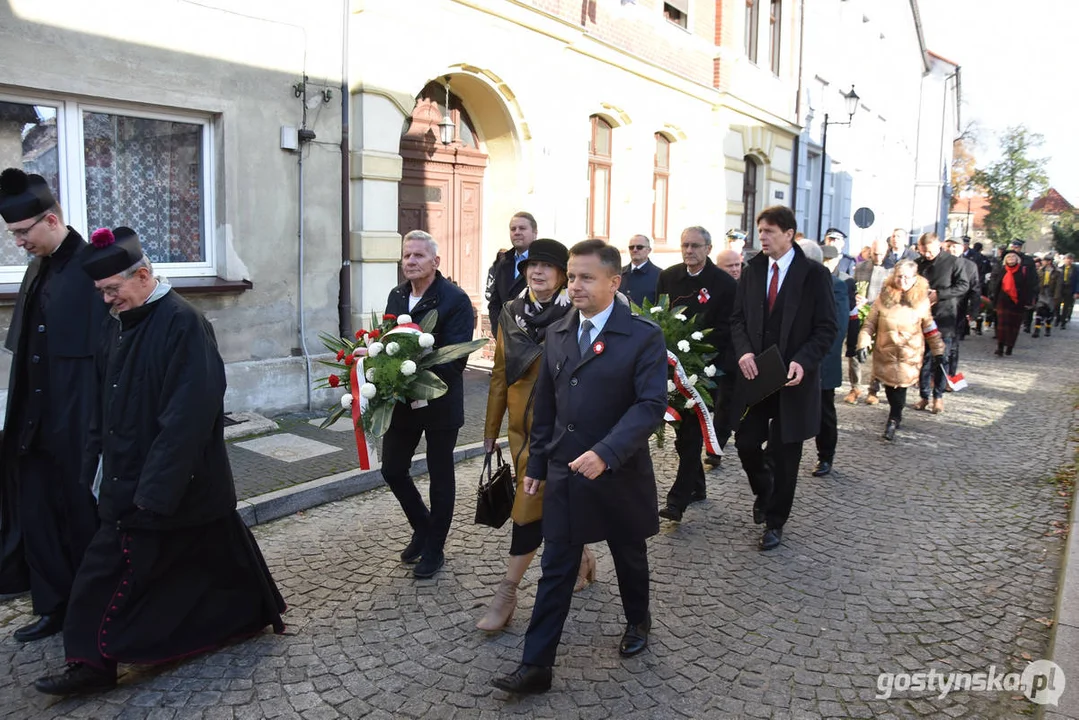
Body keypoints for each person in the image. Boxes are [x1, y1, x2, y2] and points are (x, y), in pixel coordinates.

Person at [34, 226, 285, 695]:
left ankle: (91, 664)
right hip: (133, 480)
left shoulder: (184, 323)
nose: (106, 300)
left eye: (112, 289)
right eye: (101, 292)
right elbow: (102, 408)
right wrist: (93, 469)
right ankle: (249, 614)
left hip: (172, 486)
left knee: (103, 574)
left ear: (144, 275)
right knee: (213, 563)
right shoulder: (117, 327)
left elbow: (189, 417)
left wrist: (153, 493)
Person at [491, 240, 667, 695]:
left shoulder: (643, 334)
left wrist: (607, 452)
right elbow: (546, 403)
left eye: (586, 277)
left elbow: (650, 405)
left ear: (614, 282)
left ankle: (637, 622)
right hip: (567, 470)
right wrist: (541, 463)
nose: (575, 285)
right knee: (556, 566)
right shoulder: (561, 330)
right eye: (572, 276)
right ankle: (536, 666)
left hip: (619, 471)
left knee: (629, 556)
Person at [0, 168, 106, 643]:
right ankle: (53, 607)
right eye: (14, 234)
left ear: (51, 219)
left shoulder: (94, 266)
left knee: (83, 520)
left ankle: (93, 613)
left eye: (23, 232)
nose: (19, 243)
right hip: (33, 423)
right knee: (39, 517)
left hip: (79, 421)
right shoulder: (35, 268)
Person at [479, 239, 596, 632]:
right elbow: (499, 374)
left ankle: (507, 592)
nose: (537, 272)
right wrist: (490, 430)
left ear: (562, 275)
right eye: (532, 265)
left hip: (563, 427)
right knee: (554, 497)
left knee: (532, 502)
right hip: (519, 429)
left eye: (547, 266)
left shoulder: (577, 315)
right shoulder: (511, 313)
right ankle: (583, 558)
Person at [730, 206, 837, 551]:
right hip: (758, 377)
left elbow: (826, 328)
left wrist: (803, 362)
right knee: (746, 442)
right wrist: (744, 351)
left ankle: (775, 522)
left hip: (794, 381)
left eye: (770, 231)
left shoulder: (814, 275)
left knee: (786, 452)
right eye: (760, 230)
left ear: (789, 234)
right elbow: (738, 320)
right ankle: (765, 490)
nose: (762, 236)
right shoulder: (752, 270)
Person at [382, 230, 474, 578]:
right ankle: (423, 526)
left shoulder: (455, 300)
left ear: (436, 262)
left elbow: (455, 359)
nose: (410, 261)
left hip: (440, 403)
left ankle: (435, 548)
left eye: (418, 256)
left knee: (440, 475)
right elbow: (386, 341)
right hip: (403, 403)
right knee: (392, 469)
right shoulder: (397, 295)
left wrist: (414, 375)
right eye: (407, 255)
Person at [656, 227, 737, 521]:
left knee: (691, 434)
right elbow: (659, 316)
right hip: (672, 368)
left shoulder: (725, 284)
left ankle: (677, 501)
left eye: (695, 246)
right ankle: (697, 487)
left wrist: (714, 366)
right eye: (685, 245)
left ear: (708, 248)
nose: (689, 250)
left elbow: (728, 329)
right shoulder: (668, 277)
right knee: (681, 434)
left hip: (706, 370)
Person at [855, 261, 945, 442]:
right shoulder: (884, 296)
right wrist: (862, 344)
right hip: (885, 350)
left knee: (900, 387)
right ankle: (895, 413)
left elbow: (929, 326)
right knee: (890, 386)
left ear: (914, 278)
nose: (902, 280)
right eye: (899, 276)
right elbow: (870, 323)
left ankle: (894, 417)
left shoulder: (921, 300)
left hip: (909, 353)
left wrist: (938, 351)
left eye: (906, 277)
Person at [805, 242, 849, 477]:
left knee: (824, 411)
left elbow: (837, 328)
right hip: (795, 361)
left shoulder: (837, 286)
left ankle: (825, 456)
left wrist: (814, 359)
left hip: (822, 361)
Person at [914, 233, 968, 414]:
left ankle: (938, 396)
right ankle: (923, 395)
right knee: (923, 359)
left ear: (938, 246)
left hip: (944, 317)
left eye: (929, 252)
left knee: (941, 359)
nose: (927, 255)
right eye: (923, 252)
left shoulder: (953, 262)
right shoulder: (919, 263)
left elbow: (963, 285)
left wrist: (939, 294)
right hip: (922, 316)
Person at [844, 239, 888, 405]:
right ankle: (855, 387)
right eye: (875, 253)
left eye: (881, 254)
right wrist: (856, 297)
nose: (878, 257)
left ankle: (874, 389)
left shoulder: (891, 269)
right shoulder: (861, 267)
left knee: (878, 352)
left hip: (881, 315)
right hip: (860, 314)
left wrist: (873, 302)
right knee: (854, 350)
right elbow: (853, 287)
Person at [485, 212, 537, 337]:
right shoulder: (503, 263)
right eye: (513, 229)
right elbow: (494, 302)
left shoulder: (544, 264)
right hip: (505, 338)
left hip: (534, 341)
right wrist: (498, 332)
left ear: (535, 233)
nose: (517, 232)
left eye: (522, 228)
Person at [943, 238, 981, 375]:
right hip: (938, 309)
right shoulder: (938, 262)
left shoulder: (970, 266)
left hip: (958, 310)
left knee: (953, 345)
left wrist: (974, 311)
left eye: (955, 246)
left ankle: (950, 375)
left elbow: (975, 290)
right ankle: (932, 376)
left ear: (962, 248)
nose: (951, 249)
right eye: (948, 246)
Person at [988, 249, 1034, 356]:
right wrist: (994, 302)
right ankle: (1000, 347)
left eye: (1013, 257)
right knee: (1001, 325)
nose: (1011, 259)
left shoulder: (1022, 271)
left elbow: (1028, 287)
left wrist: (1028, 301)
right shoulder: (1003, 270)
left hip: (1017, 302)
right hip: (1002, 301)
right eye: (1008, 257)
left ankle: (1009, 346)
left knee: (1013, 326)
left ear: (1017, 259)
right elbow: (997, 287)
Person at [1008, 239, 1039, 333]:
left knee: (1023, 310)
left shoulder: (1027, 260)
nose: (1014, 249)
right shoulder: (1007, 257)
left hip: (1023, 288)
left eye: (1016, 247)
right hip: (1010, 287)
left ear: (1020, 248)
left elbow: (1033, 276)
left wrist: (1033, 291)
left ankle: (1025, 324)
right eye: (1012, 247)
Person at [619, 234, 660, 305]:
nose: (635, 250)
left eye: (639, 247)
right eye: (631, 247)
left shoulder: (659, 275)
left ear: (649, 250)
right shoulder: (619, 273)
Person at [1033, 255, 1061, 338]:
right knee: (1039, 311)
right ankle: (1036, 330)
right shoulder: (1040, 270)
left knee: (1049, 312)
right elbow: (1036, 282)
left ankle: (1048, 328)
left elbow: (1058, 285)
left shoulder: (1057, 272)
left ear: (1049, 261)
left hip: (1050, 293)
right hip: (1041, 293)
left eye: (1044, 260)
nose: (1042, 262)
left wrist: (1056, 297)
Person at [1057, 253, 1077, 329]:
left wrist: (1076, 292)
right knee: (1057, 304)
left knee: (1067, 305)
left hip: (1070, 288)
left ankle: (1063, 321)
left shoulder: (1075, 269)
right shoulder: (1060, 268)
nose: (1068, 261)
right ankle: (1058, 317)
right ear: (1064, 260)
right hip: (1061, 288)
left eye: (1070, 259)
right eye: (1067, 259)